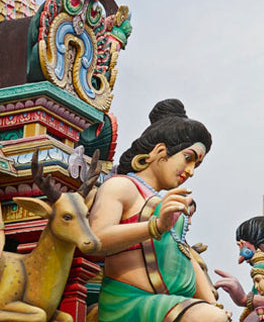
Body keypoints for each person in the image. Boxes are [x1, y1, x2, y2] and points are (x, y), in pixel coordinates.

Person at [88, 99, 229, 322]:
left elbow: (185, 254)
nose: (191, 171)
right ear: (160, 151)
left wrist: (214, 304)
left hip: (171, 303)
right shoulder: (122, 186)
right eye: (188, 158)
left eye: (196, 165)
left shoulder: (165, 203)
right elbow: (95, 239)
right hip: (128, 303)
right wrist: (155, 226)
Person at [213, 215, 264, 319]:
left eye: (246, 251)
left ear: (263, 248)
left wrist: (245, 299)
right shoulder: (262, 274)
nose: (241, 259)